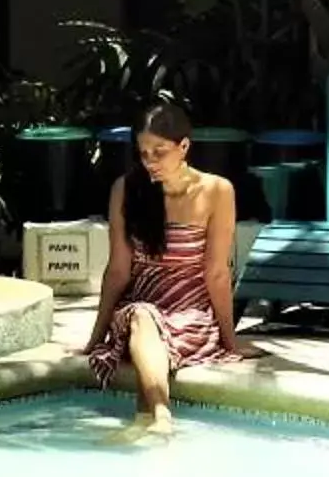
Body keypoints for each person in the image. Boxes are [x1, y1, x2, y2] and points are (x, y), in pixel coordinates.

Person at [85, 102, 251, 432]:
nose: (149, 162)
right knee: (142, 317)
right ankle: (160, 415)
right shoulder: (127, 189)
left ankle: (147, 419)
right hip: (140, 305)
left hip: (191, 311)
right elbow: (118, 269)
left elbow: (217, 272)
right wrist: (97, 337)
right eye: (143, 153)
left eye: (159, 152)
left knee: (146, 324)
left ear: (183, 147)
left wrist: (229, 342)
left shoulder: (217, 191)